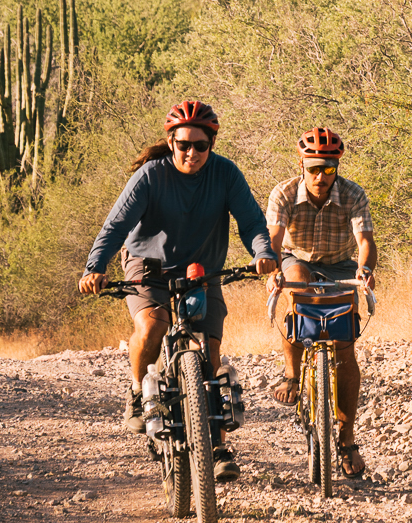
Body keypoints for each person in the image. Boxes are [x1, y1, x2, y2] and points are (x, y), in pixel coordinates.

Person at [79, 100, 279, 482]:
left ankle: (217, 447)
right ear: (171, 142)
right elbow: (116, 226)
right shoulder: (151, 176)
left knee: (210, 348)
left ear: (211, 144)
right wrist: (95, 268)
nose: (191, 153)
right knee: (153, 325)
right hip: (147, 264)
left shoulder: (225, 174)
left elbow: (252, 221)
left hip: (202, 268)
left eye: (200, 145)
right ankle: (137, 392)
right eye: (183, 144)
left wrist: (263, 253)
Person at [266, 126, 376, 479]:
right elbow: (274, 240)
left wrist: (364, 271)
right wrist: (273, 271)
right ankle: (292, 374)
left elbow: (365, 241)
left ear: (336, 168)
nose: (321, 176)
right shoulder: (284, 193)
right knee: (298, 288)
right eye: (314, 168)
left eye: (328, 169)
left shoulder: (353, 194)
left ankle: (346, 438)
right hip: (295, 258)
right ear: (301, 165)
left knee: (344, 347)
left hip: (340, 264)